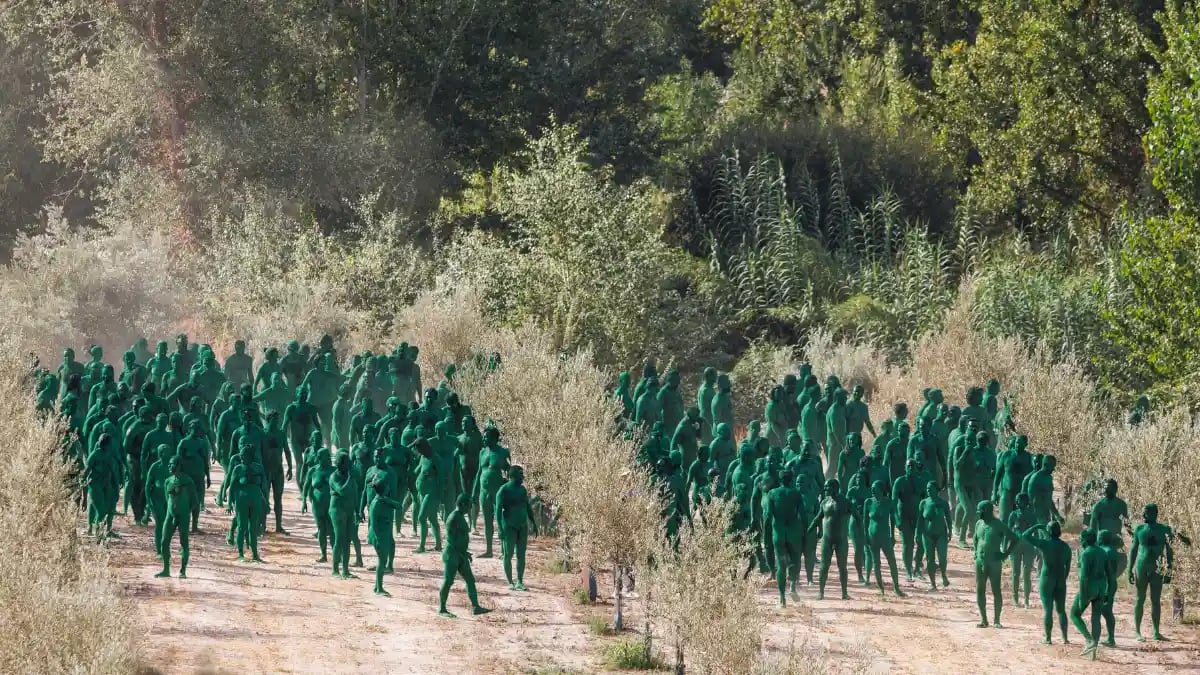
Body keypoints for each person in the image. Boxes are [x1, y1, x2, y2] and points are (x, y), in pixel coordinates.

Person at [438, 493, 493, 618]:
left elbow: (460, 537)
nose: (469, 509)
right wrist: (462, 552)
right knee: (448, 581)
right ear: (461, 504)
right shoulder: (453, 518)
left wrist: (465, 552)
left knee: (470, 580)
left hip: (460, 554)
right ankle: (441, 609)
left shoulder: (460, 516)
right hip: (452, 554)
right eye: (468, 506)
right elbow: (452, 540)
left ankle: (475, 607)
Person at [1018, 521, 1072, 644]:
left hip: (1047, 578)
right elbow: (1067, 567)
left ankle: (1048, 639)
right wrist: (1063, 579)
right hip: (1060, 579)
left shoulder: (1045, 544)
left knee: (1048, 609)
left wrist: (1037, 526)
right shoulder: (1066, 547)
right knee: (1061, 610)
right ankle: (1065, 638)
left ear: (1049, 531)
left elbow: (1025, 535)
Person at [1130, 503, 1175, 642]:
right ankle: (1137, 632)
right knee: (1140, 599)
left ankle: (1156, 632)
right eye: (1143, 513)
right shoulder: (1139, 529)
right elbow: (1133, 550)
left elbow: (1169, 551)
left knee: (1155, 600)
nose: (1144, 515)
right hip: (1141, 567)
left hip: (1157, 568)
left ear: (1155, 514)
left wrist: (1169, 569)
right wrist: (1129, 569)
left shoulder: (1165, 530)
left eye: (1146, 513)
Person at [808, 478, 852, 600]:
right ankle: (821, 592)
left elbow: (858, 517)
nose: (825, 489)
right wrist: (809, 531)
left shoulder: (845, 502)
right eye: (825, 487)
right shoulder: (824, 503)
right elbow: (817, 518)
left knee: (842, 566)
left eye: (828, 487)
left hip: (841, 540)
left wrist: (861, 535)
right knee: (824, 566)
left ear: (835, 488)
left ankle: (844, 593)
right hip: (827, 539)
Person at [973, 500, 1014, 628]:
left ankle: (996, 620)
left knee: (996, 590)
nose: (979, 514)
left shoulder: (999, 525)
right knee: (980, 590)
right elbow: (975, 538)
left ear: (988, 511)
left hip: (994, 562)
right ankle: (984, 619)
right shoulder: (979, 523)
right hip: (980, 561)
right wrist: (976, 552)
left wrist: (1005, 554)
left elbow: (1014, 539)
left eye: (981, 511)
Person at [497, 465, 538, 590]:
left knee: (521, 554)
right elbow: (498, 511)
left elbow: (527, 507)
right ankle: (510, 582)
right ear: (512, 476)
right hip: (508, 526)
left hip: (522, 526)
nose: (523, 477)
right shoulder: (503, 490)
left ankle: (519, 581)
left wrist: (533, 522)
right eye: (520, 475)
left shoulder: (522, 490)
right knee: (508, 554)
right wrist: (499, 528)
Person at [156, 457, 198, 579]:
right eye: (168, 464)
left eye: (172, 464)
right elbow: (167, 498)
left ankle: (183, 570)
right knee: (164, 541)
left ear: (179, 465)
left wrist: (186, 512)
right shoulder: (168, 481)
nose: (169, 466)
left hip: (183, 516)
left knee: (184, 542)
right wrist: (172, 511)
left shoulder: (188, 481)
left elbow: (195, 501)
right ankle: (165, 569)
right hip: (170, 516)